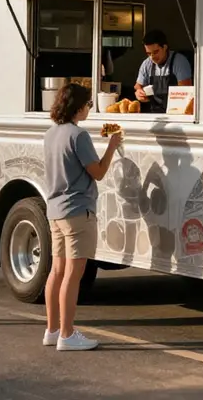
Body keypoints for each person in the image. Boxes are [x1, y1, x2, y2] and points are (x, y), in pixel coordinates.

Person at [43, 82, 122, 351]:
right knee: (73, 276)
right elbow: (97, 171)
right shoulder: (78, 135)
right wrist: (112, 145)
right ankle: (67, 334)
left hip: (55, 210)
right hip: (78, 211)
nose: (89, 108)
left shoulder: (51, 133)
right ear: (79, 106)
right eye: (88, 104)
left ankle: (52, 330)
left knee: (56, 271)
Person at [133, 29, 193, 113]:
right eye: (149, 53)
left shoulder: (179, 61)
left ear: (165, 47)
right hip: (154, 113)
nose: (152, 57)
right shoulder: (147, 63)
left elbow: (186, 90)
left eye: (156, 52)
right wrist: (139, 93)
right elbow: (137, 86)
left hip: (177, 113)